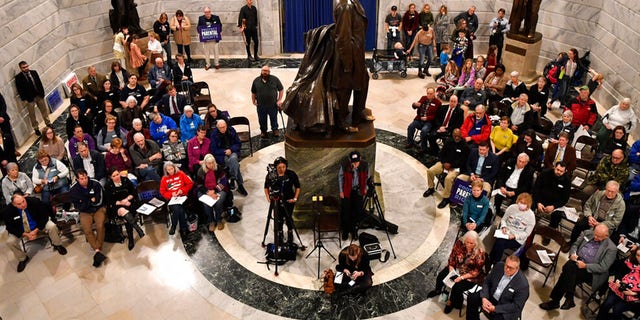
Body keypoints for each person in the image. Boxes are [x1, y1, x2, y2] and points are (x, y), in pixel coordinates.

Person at [539, 224, 617, 311]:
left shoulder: (611, 248)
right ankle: (568, 298)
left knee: (567, 270)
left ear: (606, 236)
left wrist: (585, 266)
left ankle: (556, 301)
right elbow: (575, 245)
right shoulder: (587, 233)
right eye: (595, 234)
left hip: (591, 271)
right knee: (570, 270)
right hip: (577, 261)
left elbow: (603, 267)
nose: (595, 237)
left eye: (598, 237)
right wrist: (572, 254)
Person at [3, 193, 67, 272]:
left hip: (38, 226)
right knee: (10, 242)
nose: (23, 205)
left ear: (24, 198)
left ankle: (57, 245)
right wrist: (25, 234)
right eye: (19, 204)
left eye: (23, 201)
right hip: (22, 231)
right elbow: (10, 227)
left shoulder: (34, 202)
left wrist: (36, 230)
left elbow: (44, 216)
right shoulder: (8, 211)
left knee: (52, 226)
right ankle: (23, 258)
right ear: (14, 204)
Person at [427, 231, 486, 314]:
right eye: (467, 242)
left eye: (471, 243)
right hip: (457, 268)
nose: (468, 245)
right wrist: (451, 269)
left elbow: (476, 272)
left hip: (470, 276)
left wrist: (461, 277)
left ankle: (451, 302)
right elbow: (452, 257)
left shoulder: (480, 253)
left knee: (457, 287)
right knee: (441, 275)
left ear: (476, 243)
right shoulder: (460, 243)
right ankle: (437, 290)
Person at [466, 255, 529, 320]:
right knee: (472, 298)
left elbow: (516, 306)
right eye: (506, 266)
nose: (507, 269)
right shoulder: (499, 266)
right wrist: (484, 297)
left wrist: (495, 308)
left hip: (505, 305)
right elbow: (487, 281)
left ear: (517, 268)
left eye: (511, 268)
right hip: (491, 295)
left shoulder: (523, 285)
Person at [70, 169, 108, 267]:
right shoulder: (74, 189)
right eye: (82, 179)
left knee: (100, 226)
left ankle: (97, 249)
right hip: (85, 212)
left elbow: (99, 200)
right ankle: (98, 250)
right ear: (77, 179)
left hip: (98, 209)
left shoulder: (95, 184)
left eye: (86, 177)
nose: (84, 180)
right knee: (87, 229)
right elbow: (78, 206)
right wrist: (90, 201)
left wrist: (86, 202)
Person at [424, 129, 470, 209]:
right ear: (452, 135)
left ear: (461, 135)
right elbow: (441, 153)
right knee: (430, 171)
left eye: (458, 136)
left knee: (448, 178)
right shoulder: (448, 141)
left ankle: (446, 198)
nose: (456, 138)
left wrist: (451, 165)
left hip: (455, 167)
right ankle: (431, 188)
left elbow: (463, 161)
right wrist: (444, 162)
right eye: (455, 136)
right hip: (444, 164)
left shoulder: (465, 146)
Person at [104, 167, 145, 250]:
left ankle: (131, 239)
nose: (117, 177)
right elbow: (109, 201)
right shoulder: (108, 185)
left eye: (117, 174)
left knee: (127, 217)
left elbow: (133, 192)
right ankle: (137, 228)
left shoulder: (125, 180)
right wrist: (122, 202)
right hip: (117, 206)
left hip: (129, 202)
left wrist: (127, 199)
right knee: (123, 211)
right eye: (114, 176)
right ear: (110, 177)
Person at [490, 193, 535, 265]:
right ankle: (495, 262)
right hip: (506, 232)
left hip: (517, 239)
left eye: (524, 203)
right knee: (499, 242)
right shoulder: (512, 207)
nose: (521, 204)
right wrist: (504, 226)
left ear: (528, 204)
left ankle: (494, 262)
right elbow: (503, 219)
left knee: (499, 243)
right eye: (520, 202)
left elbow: (527, 233)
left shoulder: (531, 216)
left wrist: (515, 236)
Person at [263, 156, 300, 244]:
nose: (282, 169)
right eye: (279, 167)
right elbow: (266, 187)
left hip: (289, 200)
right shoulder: (271, 175)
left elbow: (298, 187)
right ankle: (279, 233)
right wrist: (268, 198)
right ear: (276, 167)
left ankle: (290, 232)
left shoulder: (291, 174)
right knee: (278, 218)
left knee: (288, 217)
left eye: (283, 167)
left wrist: (295, 198)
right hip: (276, 201)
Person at [596, 248, 640, 319]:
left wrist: (634, 294)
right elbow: (615, 270)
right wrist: (617, 280)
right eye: (637, 255)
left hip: (633, 297)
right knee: (607, 303)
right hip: (619, 287)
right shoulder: (629, 262)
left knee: (617, 309)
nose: (639, 258)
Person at [210, 120, 248, 196]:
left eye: (224, 127)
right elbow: (213, 149)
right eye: (220, 128)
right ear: (217, 128)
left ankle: (233, 178)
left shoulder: (231, 130)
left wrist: (231, 150)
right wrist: (224, 151)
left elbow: (238, 143)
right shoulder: (214, 134)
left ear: (226, 126)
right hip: (222, 155)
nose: (222, 129)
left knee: (233, 159)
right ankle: (240, 185)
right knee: (235, 164)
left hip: (232, 151)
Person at [14, 61, 52, 136]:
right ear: (20, 68)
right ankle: (36, 128)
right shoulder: (18, 77)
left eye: (27, 66)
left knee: (44, 110)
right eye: (24, 67)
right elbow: (20, 90)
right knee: (32, 114)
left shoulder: (33, 72)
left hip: (39, 95)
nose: (26, 68)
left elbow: (39, 83)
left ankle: (48, 123)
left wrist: (42, 93)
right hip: (29, 99)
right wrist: (25, 99)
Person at [339, 151, 369, 240]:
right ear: (350, 160)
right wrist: (341, 191)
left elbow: (367, 177)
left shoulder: (365, 165)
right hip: (347, 191)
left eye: (357, 162)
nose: (355, 164)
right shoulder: (344, 166)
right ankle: (345, 230)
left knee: (357, 211)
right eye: (353, 162)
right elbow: (340, 178)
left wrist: (365, 188)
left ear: (360, 159)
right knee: (346, 211)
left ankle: (354, 230)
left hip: (358, 191)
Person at [159, 161, 194, 237]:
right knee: (179, 209)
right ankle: (183, 228)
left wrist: (182, 190)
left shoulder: (181, 173)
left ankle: (174, 225)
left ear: (174, 168)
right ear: (166, 170)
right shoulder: (164, 179)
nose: (171, 171)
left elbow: (190, 184)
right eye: (168, 170)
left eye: (172, 169)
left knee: (178, 208)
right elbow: (162, 192)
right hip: (172, 199)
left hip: (182, 196)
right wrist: (171, 194)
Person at [197, 154, 230, 232]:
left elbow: (224, 181)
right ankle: (211, 221)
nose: (211, 165)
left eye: (212, 162)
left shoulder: (218, 168)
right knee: (206, 204)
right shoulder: (201, 171)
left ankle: (219, 220)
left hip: (219, 188)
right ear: (205, 163)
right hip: (206, 190)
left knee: (218, 202)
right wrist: (208, 192)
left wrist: (214, 191)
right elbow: (199, 185)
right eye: (209, 163)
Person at [405, 87, 441, 154]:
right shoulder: (423, 98)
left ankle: (423, 147)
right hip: (419, 119)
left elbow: (436, 116)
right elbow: (415, 106)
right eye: (428, 93)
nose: (429, 95)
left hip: (429, 122)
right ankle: (410, 142)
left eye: (431, 94)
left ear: (434, 94)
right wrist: (415, 104)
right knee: (410, 127)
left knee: (424, 131)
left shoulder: (438, 103)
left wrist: (427, 118)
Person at [251, 66, 284, 137]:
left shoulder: (275, 79)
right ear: (261, 71)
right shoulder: (256, 80)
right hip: (261, 105)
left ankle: (275, 130)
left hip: (273, 105)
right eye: (263, 70)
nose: (265, 72)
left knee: (274, 118)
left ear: (269, 72)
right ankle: (263, 131)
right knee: (262, 119)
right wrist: (253, 101)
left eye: (267, 71)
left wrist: (279, 99)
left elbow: (281, 89)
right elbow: (253, 92)